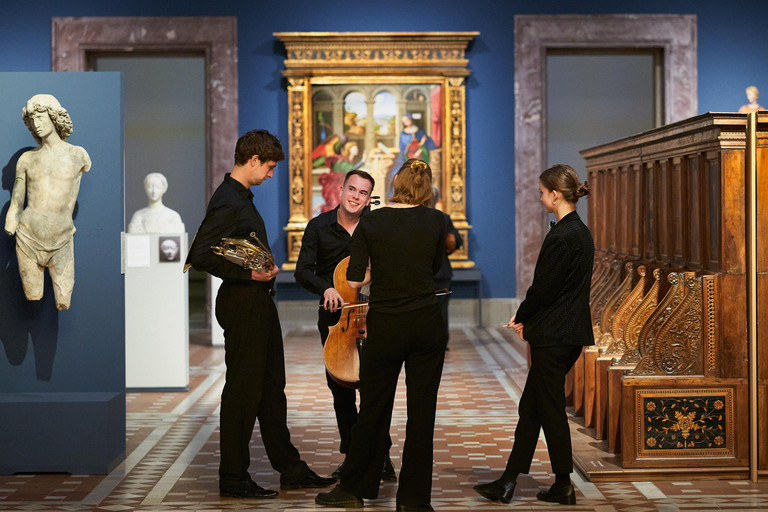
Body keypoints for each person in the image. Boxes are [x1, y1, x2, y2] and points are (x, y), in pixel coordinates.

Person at [185, 129, 335, 499]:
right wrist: (248, 273)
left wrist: (258, 272)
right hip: (243, 304)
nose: (270, 174)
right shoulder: (228, 199)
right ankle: (233, 478)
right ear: (252, 160)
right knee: (242, 394)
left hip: (257, 303)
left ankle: (291, 469)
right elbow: (200, 254)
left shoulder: (239, 197)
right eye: (268, 167)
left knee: (271, 391)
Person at [315, 159, 447, 511]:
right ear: (427, 187)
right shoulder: (436, 220)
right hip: (427, 324)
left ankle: (355, 487)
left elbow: (354, 280)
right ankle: (414, 500)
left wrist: (382, 267)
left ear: (395, 184)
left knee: (374, 407)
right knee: (422, 414)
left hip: (387, 324)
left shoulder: (372, 221)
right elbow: (435, 270)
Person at [473, 164, 594, 506]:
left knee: (549, 408)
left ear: (556, 194)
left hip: (556, 334)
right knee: (534, 407)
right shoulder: (578, 232)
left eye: (542, 192)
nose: (540, 197)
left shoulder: (564, 235)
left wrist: (523, 314)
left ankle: (562, 483)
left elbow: (545, 289)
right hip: (565, 332)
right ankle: (509, 481)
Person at [294, 169, 397, 482]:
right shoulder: (318, 227)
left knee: (375, 391)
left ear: (369, 198)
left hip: (374, 317)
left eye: (363, 193)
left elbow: (390, 269)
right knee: (341, 391)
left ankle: (380, 458)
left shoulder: (377, 226)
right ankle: (353, 457)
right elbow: (302, 271)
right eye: (352, 189)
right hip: (336, 321)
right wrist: (326, 287)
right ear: (340, 189)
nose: (356, 197)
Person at [5, 94, 92, 311]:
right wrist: (10, 223)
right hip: (27, 238)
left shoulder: (78, 155)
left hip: (62, 239)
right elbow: (16, 203)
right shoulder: (27, 159)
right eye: (32, 120)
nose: (36, 124)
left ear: (54, 117)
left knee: (63, 301)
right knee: (32, 295)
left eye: (41, 117)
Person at [430, 186, 463, 348]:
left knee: (441, 310)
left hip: (440, 273)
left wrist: (447, 243)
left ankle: (441, 343)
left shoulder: (443, 218)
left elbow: (457, 240)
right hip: (425, 273)